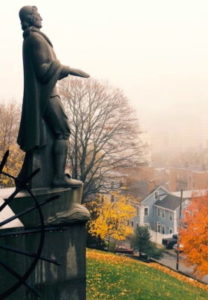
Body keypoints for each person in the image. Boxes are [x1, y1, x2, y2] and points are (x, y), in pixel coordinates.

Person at [17, 6, 89, 188]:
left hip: (46, 93)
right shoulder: (35, 39)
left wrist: (60, 69)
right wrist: (68, 69)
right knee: (63, 132)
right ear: (30, 18)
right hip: (47, 95)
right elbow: (42, 71)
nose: (41, 17)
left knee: (57, 133)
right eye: (37, 15)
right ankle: (58, 177)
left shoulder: (33, 38)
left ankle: (46, 175)